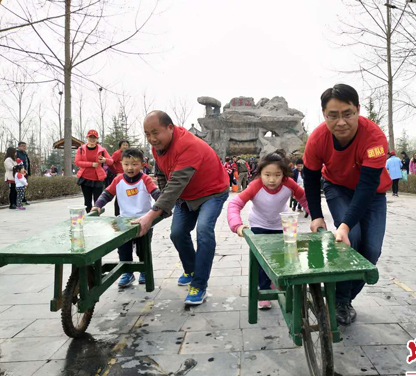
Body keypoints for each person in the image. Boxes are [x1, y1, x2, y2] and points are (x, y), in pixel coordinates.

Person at [303, 83, 392, 325]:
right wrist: (316, 216)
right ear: (324, 114)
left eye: (347, 114)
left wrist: (344, 225)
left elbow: (366, 187)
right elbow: (310, 177)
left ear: (358, 110)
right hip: (337, 187)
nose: (341, 122)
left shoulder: (374, 138)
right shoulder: (317, 139)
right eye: (333, 115)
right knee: (350, 238)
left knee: (371, 250)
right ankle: (340, 301)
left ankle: (341, 298)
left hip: (372, 194)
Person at [132, 111, 229, 305]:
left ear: (170, 128)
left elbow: (176, 183)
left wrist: (151, 215)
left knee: (204, 231)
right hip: (187, 195)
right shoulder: (158, 147)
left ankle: (199, 285)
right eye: (147, 134)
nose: (152, 139)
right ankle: (192, 270)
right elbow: (161, 174)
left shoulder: (188, 145)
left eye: (155, 133)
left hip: (212, 192)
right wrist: (163, 205)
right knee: (177, 233)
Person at [227, 151, 309, 310]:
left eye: (277, 175)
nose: (272, 180)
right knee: (262, 260)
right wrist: (237, 225)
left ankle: (279, 283)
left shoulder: (289, 184)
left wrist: (317, 217)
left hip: (282, 224)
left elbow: (304, 199)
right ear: (260, 173)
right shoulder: (255, 186)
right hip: (259, 224)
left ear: (283, 174)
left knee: (284, 257)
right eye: (267, 175)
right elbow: (235, 204)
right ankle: (264, 290)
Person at [92, 148, 161, 287]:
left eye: (134, 164)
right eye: (126, 164)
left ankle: (144, 270)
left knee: (143, 249)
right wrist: (97, 205)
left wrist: (159, 205)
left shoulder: (145, 179)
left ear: (142, 165)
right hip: (124, 221)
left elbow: (156, 193)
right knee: (124, 248)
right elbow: (107, 194)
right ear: (121, 164)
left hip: (143, 221)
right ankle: (127, 273)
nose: (130, 168)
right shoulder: (118, 180)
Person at [74, 130, 113, 213]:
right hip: (85, 178)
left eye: (94, 138)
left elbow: (111, 161)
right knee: (87, 202)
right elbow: (77, 162)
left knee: (97, 202)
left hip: (98, 178)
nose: (92, 139)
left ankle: (96, 217)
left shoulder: (102, 150)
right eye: (90, 137)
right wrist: (91, 164)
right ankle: (89, 217)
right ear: (87, 138)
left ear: (97, 139)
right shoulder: (81, 149)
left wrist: (105, 160)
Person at [108, 140, 131, 216]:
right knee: (119, 195)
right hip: (120, 176)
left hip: (129, 176)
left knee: (128, 194)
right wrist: (116, 172)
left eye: (127, 145)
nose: (125, 146)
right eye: (123, 145)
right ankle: (117, 214)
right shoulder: (117, 153)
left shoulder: (129, 154)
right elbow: (111, 163)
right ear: (120, 146)